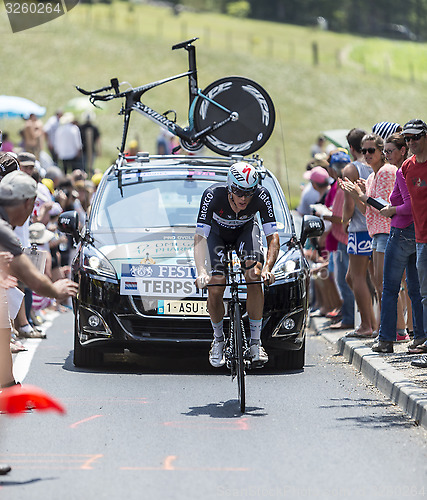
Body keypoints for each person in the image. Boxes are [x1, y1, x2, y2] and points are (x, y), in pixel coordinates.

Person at [194, 162, 280, 367]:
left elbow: (273, 237)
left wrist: (268, 268)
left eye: (248, 193)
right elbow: (200, 237)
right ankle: (218, 340)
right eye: (239, 192)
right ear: (229, 188)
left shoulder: (262, 195)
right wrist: (201, 271)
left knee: (254, 275)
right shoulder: (212, 195)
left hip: (245, 230)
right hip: (217, 235)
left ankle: (255, 343)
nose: (243, 198)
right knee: (216, 284)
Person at [0, 170, 78, 390]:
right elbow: (31, 277)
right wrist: (55, 290)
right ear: (27, 203)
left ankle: (7, 386)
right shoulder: (3, 230)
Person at [369, 133, 426, 353]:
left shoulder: (405, 170)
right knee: (415, 288)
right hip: (416, 231)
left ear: (403, 150)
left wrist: (391, 210)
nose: (386, 155)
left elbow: (409, 206)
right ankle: (420, 337)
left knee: (390, 288)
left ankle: (385, 339)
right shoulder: (414, 168)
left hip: (402, 231)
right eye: (384, 151)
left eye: (390, 151)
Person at [340, 133, 398, 335]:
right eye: (364, 150)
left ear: (382, 151)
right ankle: (383, 328)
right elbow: (366, 210)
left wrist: (359, 194)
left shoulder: (387, 171)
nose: (366, 154)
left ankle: (393, 330)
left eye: (371, 150)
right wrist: (357, 194)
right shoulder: (372, 175)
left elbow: (384, 206)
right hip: (375, 232)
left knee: (384, 284)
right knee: (378, 282)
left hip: (386, 231)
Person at [339, 128, 375, 338]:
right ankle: (373, 322)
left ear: (351, 148)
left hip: (360, 228)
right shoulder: (374, 164)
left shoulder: (351, 169)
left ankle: (366, 325)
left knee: (355, 277)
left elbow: (348, 204)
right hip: (375, 227)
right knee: (365, 278)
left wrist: (344, 222)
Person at [397, 119, 427, 368]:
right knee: (424, 295)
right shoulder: (407, 167)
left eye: (415, 137)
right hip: (421, 239)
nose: (410, 142)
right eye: (407, 139)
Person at [322, 151, 355, 329]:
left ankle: (350, 318)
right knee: (346, 280)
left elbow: (341, 216)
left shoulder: (342, 186)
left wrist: (324, 215)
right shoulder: (340, 185)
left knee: (346, 280)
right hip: (344, 238)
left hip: (345, 238)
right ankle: (350, 316)